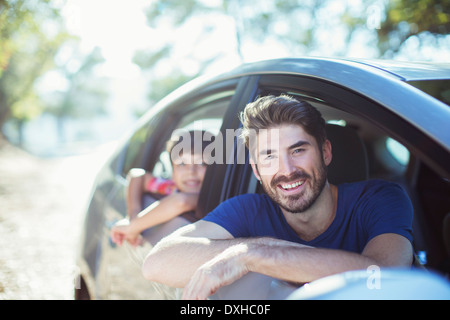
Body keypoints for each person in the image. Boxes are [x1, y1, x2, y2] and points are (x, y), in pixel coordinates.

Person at [142, 95, 414, 300]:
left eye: (298, 150)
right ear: (256, 170)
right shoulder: (247, 211)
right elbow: (157, 263)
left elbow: (384, 277)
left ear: (326, 152)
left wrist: (254, 255)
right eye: (269, 156)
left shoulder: (379, 198)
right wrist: (258, 247)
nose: (286, 170)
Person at [110, 129, 211, 247]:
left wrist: (132, 227)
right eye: (182, 164)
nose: (191, 171)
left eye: (202, 163)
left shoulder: (211, 196)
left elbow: (182, 201)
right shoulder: (171, 187)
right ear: (172, 171)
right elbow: (137, 176)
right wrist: (133, 215)